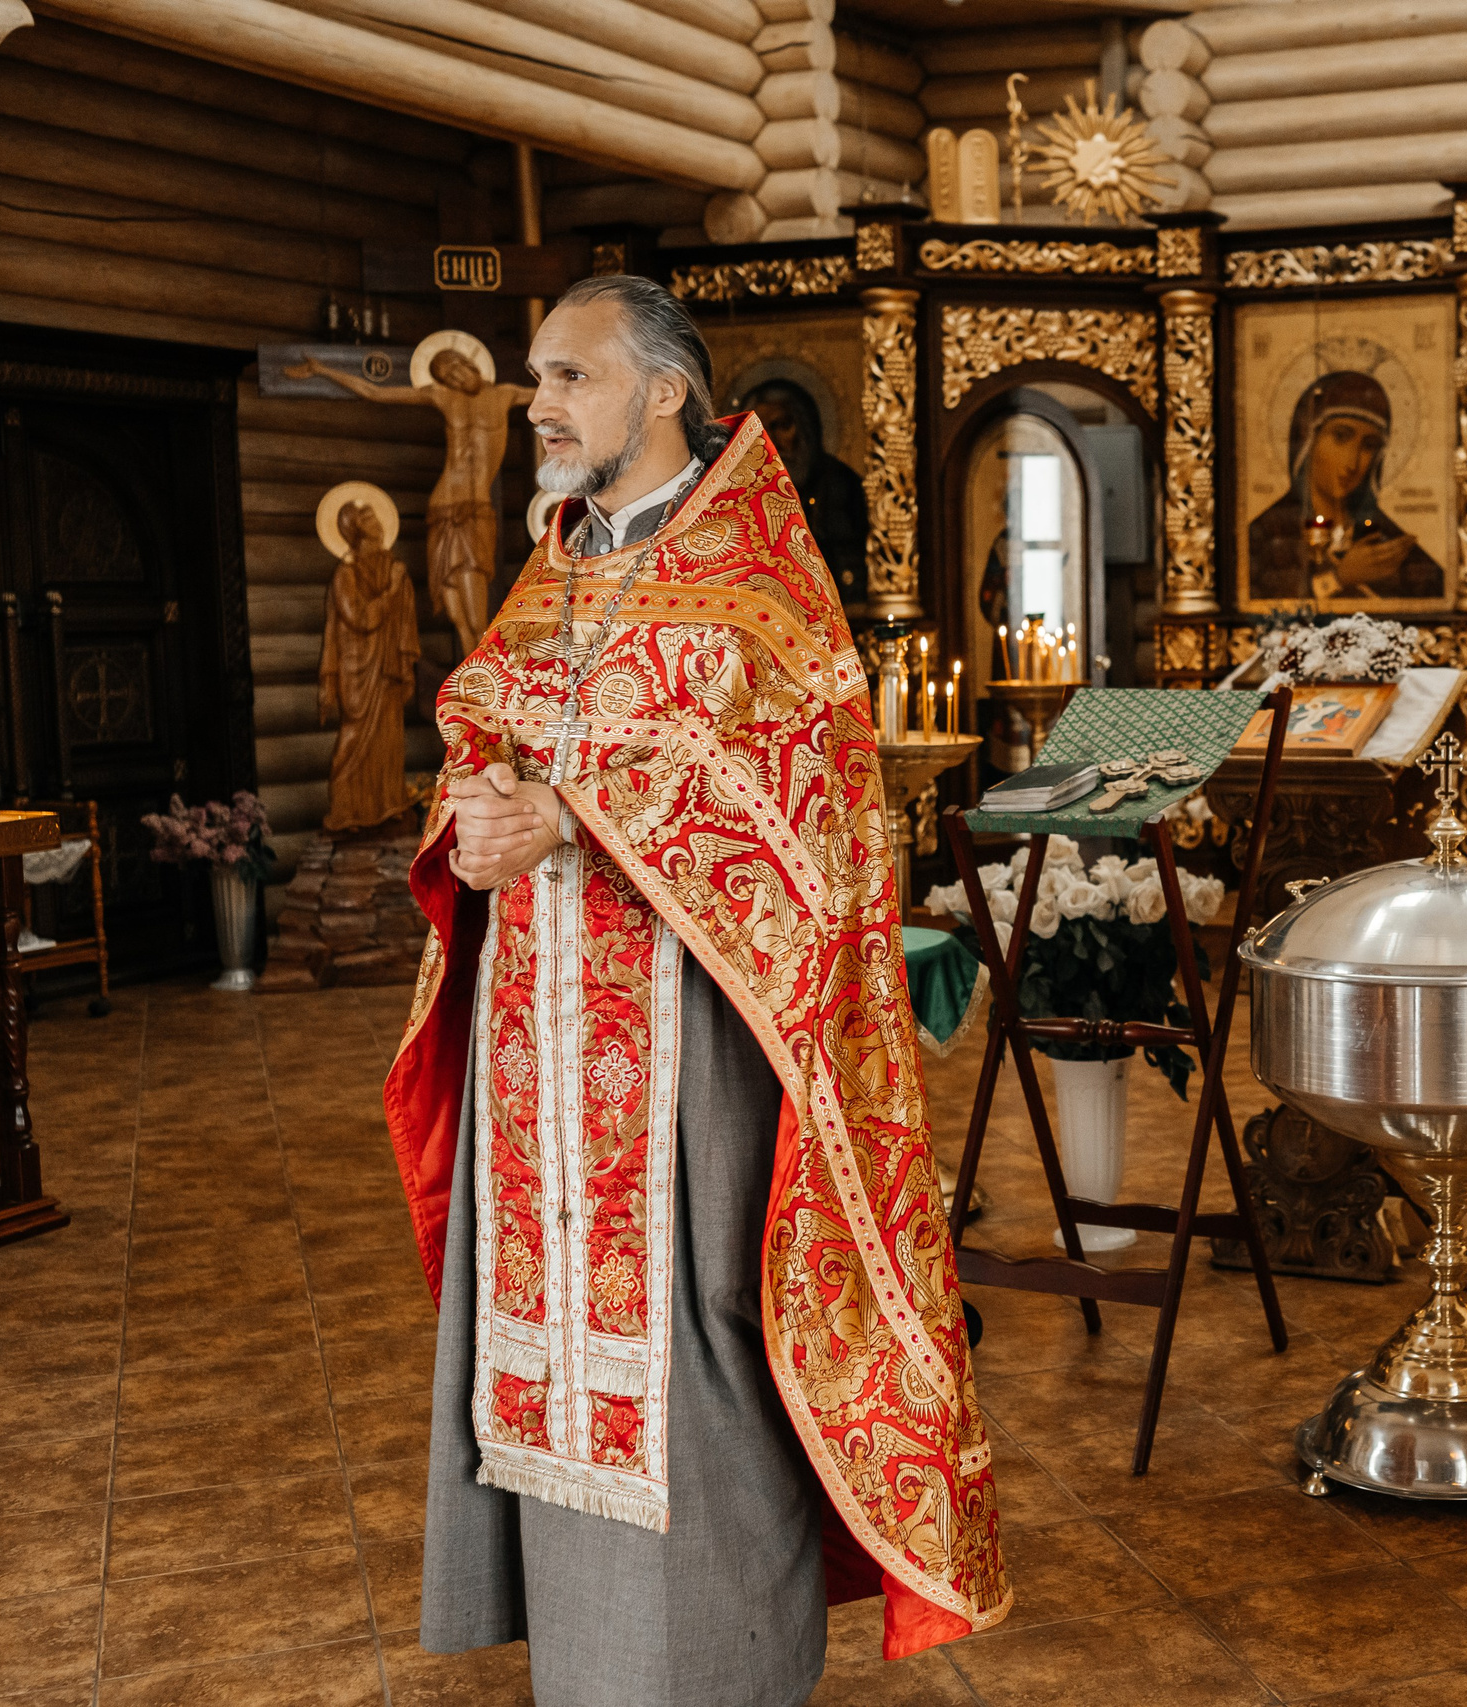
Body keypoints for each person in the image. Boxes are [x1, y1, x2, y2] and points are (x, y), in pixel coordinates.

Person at [384, 274, 1008, 1707]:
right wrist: (475, 805)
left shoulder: (759, 579)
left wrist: (576, 813)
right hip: (541, 1048)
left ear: (662, 391)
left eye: (566, 376)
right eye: (535, 378)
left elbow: (803, 809)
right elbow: (487, 722)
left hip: (699, 1050)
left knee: (702, 1333)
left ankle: (722, 1667)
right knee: (548, 1340)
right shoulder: (556, 565)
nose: (536, 405)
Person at [288, 336, 534, 656]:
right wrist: (323, 370)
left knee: (477, 610)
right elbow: (375, 392)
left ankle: (487, 685)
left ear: (471, 364)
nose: (455, 378)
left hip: (475, 511)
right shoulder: (441, 396)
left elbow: (559, 394)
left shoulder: (506, 394)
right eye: (446, 376)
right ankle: (475, 686)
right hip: (443, 507)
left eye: (456, 369)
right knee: (455, 609)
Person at [1245, 371, 1444, 604]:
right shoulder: (1266, 533)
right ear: (1308, 439)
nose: (1352, 462)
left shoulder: (1388, 543)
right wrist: (1339, 578)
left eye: (1369, 446)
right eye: (1340, 437)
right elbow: (1262, 608)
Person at [316, 495, 420, 832]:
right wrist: (391, 589)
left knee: (389, 735)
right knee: (354, 736)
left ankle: (387, 804)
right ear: (358, 529)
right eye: (370, 518)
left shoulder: (393, 566)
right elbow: (360, 617)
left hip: (387, 666)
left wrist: (399, 585)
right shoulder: (345, 574)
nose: (378, 523)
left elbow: (403, 619)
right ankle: (346, 810)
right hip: (357, 669)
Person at [740, 377, 868, 610]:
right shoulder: (741, 495)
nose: (771, 441)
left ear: (806, 425)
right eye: (761, 431)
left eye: (782, 425)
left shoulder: (842, 485)